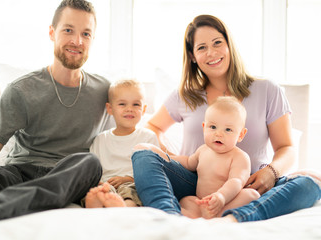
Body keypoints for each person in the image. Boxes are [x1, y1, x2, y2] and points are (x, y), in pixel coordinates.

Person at [131, 14, 321, 221]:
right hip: (195, 182)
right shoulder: (185, 95)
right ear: (193, 56)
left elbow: (287, 147)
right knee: (143, 154)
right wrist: (168, 155)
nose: (211, 53)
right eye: (201, 47)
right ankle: (169, 216)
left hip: (249, 185)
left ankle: (237, 216)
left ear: (229, 45)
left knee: (310, 183)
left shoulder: (267, 90)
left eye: (217, 43)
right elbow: (152, 127)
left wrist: (271, 173)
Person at [0, 0, 111, 228]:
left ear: (93, 39)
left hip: (67, 178)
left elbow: (126, 135)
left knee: (90, 163)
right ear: (52, 33)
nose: (77, 41)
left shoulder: (105, 92)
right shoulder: (21, 90)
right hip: (19, 174)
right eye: (68, 30)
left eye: (86, 34)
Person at [176, 96, 260, 219]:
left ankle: (219, 213)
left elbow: (236, 181)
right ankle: (200, 212)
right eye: (213, 127)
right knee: (186, 199)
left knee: (252, 195)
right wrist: (167, 156)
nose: (219, 133)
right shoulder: (203, 150)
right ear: (204, 127)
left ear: (241, 134)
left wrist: (221, 196)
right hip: (202, 200)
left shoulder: (240, 157)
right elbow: (188, 162)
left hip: (227, 201)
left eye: (228, 129)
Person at [85, 79, 159, 208]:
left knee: (131, 193)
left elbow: (153, 172)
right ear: (110, 108)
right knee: (97, 192)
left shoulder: (148, 137)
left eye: (136, 104)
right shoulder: (101, 139)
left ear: (144, 109)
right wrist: (100, 184)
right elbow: (93, 169)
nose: (129, 109)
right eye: (122, 104)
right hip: (106, 184)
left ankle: (124, 207)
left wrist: (127, 179)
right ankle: (100, 203)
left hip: (132, 184)